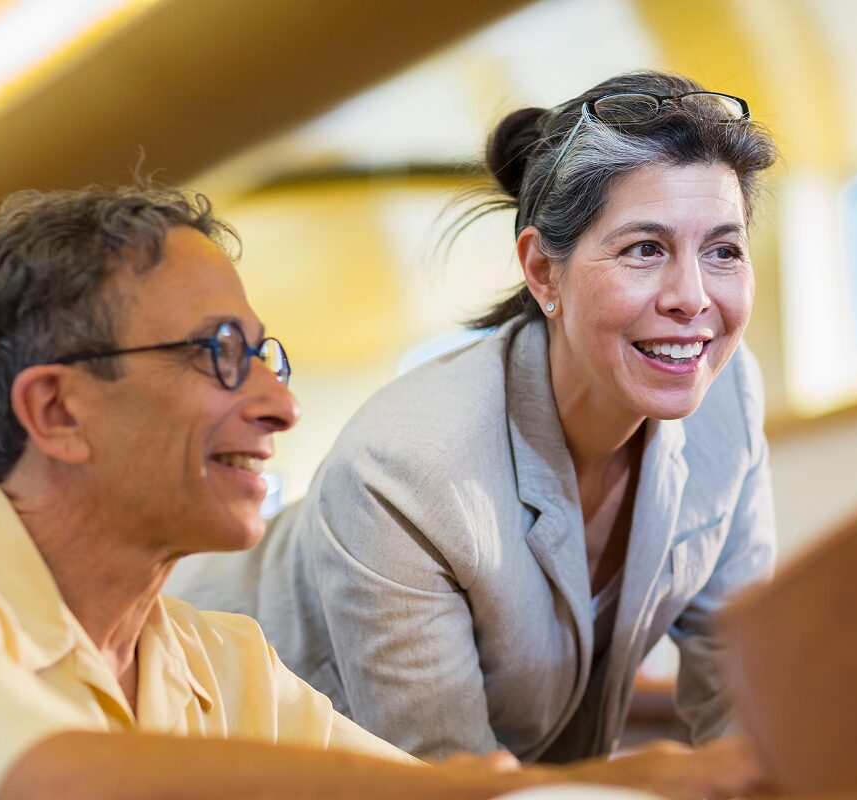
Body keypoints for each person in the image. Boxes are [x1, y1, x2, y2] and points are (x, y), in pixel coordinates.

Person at [0, 184, 766, 800]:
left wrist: (615, 783)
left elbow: (414, 790)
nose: (281, 406)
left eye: (267, 356)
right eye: (220, 352)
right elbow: (45, 778)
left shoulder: (223, 660)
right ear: (58, 411)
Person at [170, 70, 779, 762]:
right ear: (544, 273)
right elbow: (446, 778)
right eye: (646, 249)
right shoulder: (406, 468)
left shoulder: (727, 400)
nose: (692, 297)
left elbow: (743, 686)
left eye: (723, 251)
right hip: (206, 732)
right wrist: (652, 782)